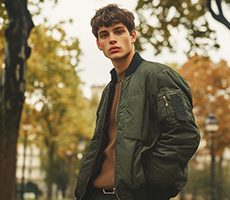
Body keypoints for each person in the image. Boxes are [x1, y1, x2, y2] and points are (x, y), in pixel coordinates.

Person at [73, 4, 201, 200]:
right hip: (96, 194)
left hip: (134, 194)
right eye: (104, 35)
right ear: (99, 44)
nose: (112, 39)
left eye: (118, 31)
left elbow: (184, 134)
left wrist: (149, 181)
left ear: (132, 36)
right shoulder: (108, 90)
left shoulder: (160, 77)